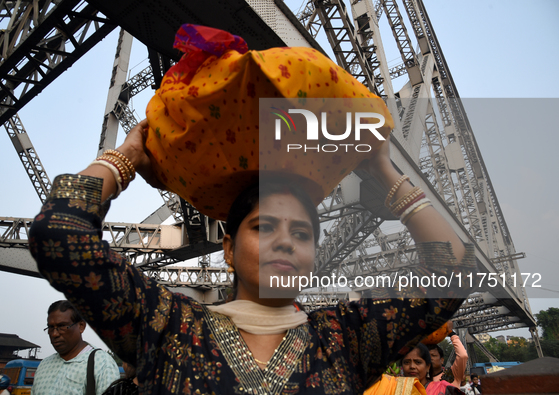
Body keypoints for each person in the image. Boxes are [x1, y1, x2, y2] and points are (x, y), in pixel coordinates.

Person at [28, 25, 475, 394]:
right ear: (227, 246)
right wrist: (127, 155)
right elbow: (59, 236)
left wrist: (382, 168)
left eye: (302, 233)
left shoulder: (346, 337)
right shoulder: (168, 327)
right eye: (264, 227)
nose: (286, 239)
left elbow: (455, 275)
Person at [31, 300, 120, 395]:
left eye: (62, 326)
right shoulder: (44, 366)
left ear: (81, 326)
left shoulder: (101, 363)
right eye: (51, 327)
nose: (54, 334)